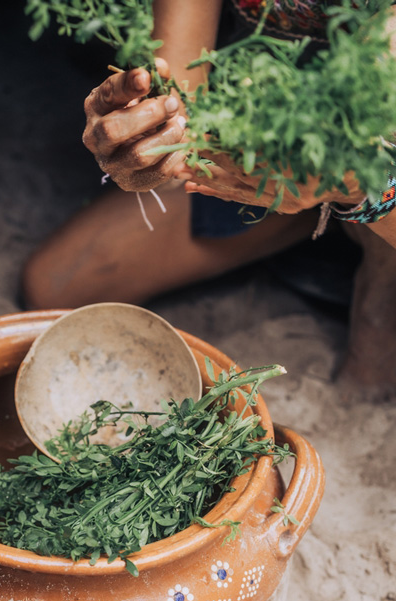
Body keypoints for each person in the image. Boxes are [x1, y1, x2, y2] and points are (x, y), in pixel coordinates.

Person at [22, 0, 396, 399]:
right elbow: (181, 102)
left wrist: (361, 191)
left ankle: (376, 277)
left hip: (376, 170)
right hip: (270, 147)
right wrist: (152, 143)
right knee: (55, 285)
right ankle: (303, 210)